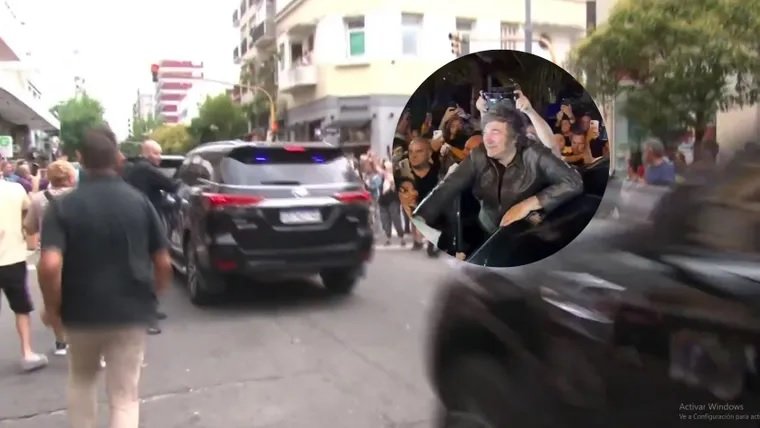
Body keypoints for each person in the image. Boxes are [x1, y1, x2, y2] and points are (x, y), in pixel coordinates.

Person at [37, 126, 172, 428]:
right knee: (124, 396)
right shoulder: (139, 202)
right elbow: (163, 262)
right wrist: (154, 295)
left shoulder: (62, 207)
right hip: (131, 311)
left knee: (82, 380)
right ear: (117, 158)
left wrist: (52, 308)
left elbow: (49, 265)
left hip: (80, 312)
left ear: (80, 158)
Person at [412, 104, 583, 245]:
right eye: (486, 132)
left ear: (515, 137)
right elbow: (449, 185)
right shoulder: (478, 155)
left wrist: (527, 204)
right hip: (488, 233)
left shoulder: (534, 154)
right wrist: (420, 218)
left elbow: (573, 181)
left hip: (526, 235)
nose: (487, 139)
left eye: (495, 132)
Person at [122, 139, 178, 335]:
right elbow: (171, 185)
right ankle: (148, 316)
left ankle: (146, 310)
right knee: (149, 267)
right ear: (146, 153)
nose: (159, 158)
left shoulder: (131, 169)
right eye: (156, 153)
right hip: (147, 221)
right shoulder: (147, 169)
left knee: (141, 264)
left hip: (132, 221)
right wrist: (187, 179)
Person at [23, 160, 77, 356]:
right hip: (77, 253)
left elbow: (29, 227)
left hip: (48, 253)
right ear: (70, 177)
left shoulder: (38, 199)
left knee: (52, 301)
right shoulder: (78, 197)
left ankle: (61, 341)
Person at [0, 177, 49, 371]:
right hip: (12, 257)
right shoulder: (15, 189)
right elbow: (28, 216)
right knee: (21, 308)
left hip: (13, 255)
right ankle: (27, 353)